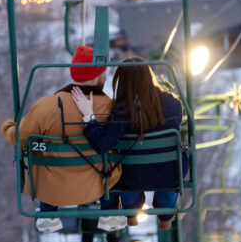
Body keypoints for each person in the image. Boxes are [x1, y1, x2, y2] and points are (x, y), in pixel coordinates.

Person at [1, 45, 126, 236]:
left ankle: (48, 214)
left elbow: (21, 139)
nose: (105, 77)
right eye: (103, 73)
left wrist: (9, 127)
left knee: (40, 151)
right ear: (96, 77)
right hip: (99, 188)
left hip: (54, 190)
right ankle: (110, 210)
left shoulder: (46, 106)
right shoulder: (112, 108)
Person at [71, 56, 187, 230]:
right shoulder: (173, 103)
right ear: (149, 76)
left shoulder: (120, 111)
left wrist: (89, 116)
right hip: (168, 174)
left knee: (121, 168)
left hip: (133, 178)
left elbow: (102, 145)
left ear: (122, 82)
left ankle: (130, 211)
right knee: (171, 169)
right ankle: (166, 215)